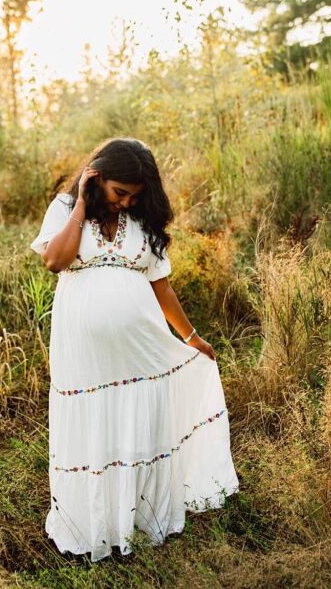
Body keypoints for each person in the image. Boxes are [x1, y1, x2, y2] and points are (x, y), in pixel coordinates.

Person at [30, 138, 239, 562]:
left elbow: (161, 287)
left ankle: (143, 521)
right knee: (94, 427)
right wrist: (82, 208)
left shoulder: (142, 223)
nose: (125, 202)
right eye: (118, 192)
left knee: (143, 424)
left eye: (134, 196)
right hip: (84, 355)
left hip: (141, 352)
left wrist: (191, 337)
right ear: (97, 177)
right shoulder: (66, 207)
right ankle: (95, 525)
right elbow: (55, 261)